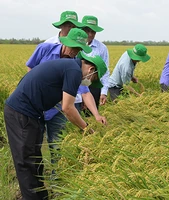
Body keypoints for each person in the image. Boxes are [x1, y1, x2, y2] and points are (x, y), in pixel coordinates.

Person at [4, 52, 107, 200]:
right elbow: (68, 108)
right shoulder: (74, 71)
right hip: (20, 113)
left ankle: (41, 196)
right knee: (26, 162)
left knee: (35, 159)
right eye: (93, 80)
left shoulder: (70, 67)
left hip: (31, 114)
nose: (89, 83)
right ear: (91, 70)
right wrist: (86, 128)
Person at [27, 28, 107, 166]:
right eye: (73, 47)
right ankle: (36, 178)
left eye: (78, 49)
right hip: (37, 106)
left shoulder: (75, 66)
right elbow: (31, 72)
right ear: (65, 41)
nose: (74, 51)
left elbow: (85, 92)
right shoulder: (44, 49)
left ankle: (55, 178)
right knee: (33, 144)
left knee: (56, 144)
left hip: (57, 109)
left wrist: (96, 115)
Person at [80, 15, 110, 115]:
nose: (90, 34)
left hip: (93, 86)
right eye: (87, 31)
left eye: (93, 32)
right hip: (75, 84)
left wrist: (104, 91)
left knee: (90, 115)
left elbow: (104, 71)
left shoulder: (101, 48)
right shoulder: (74, 45)